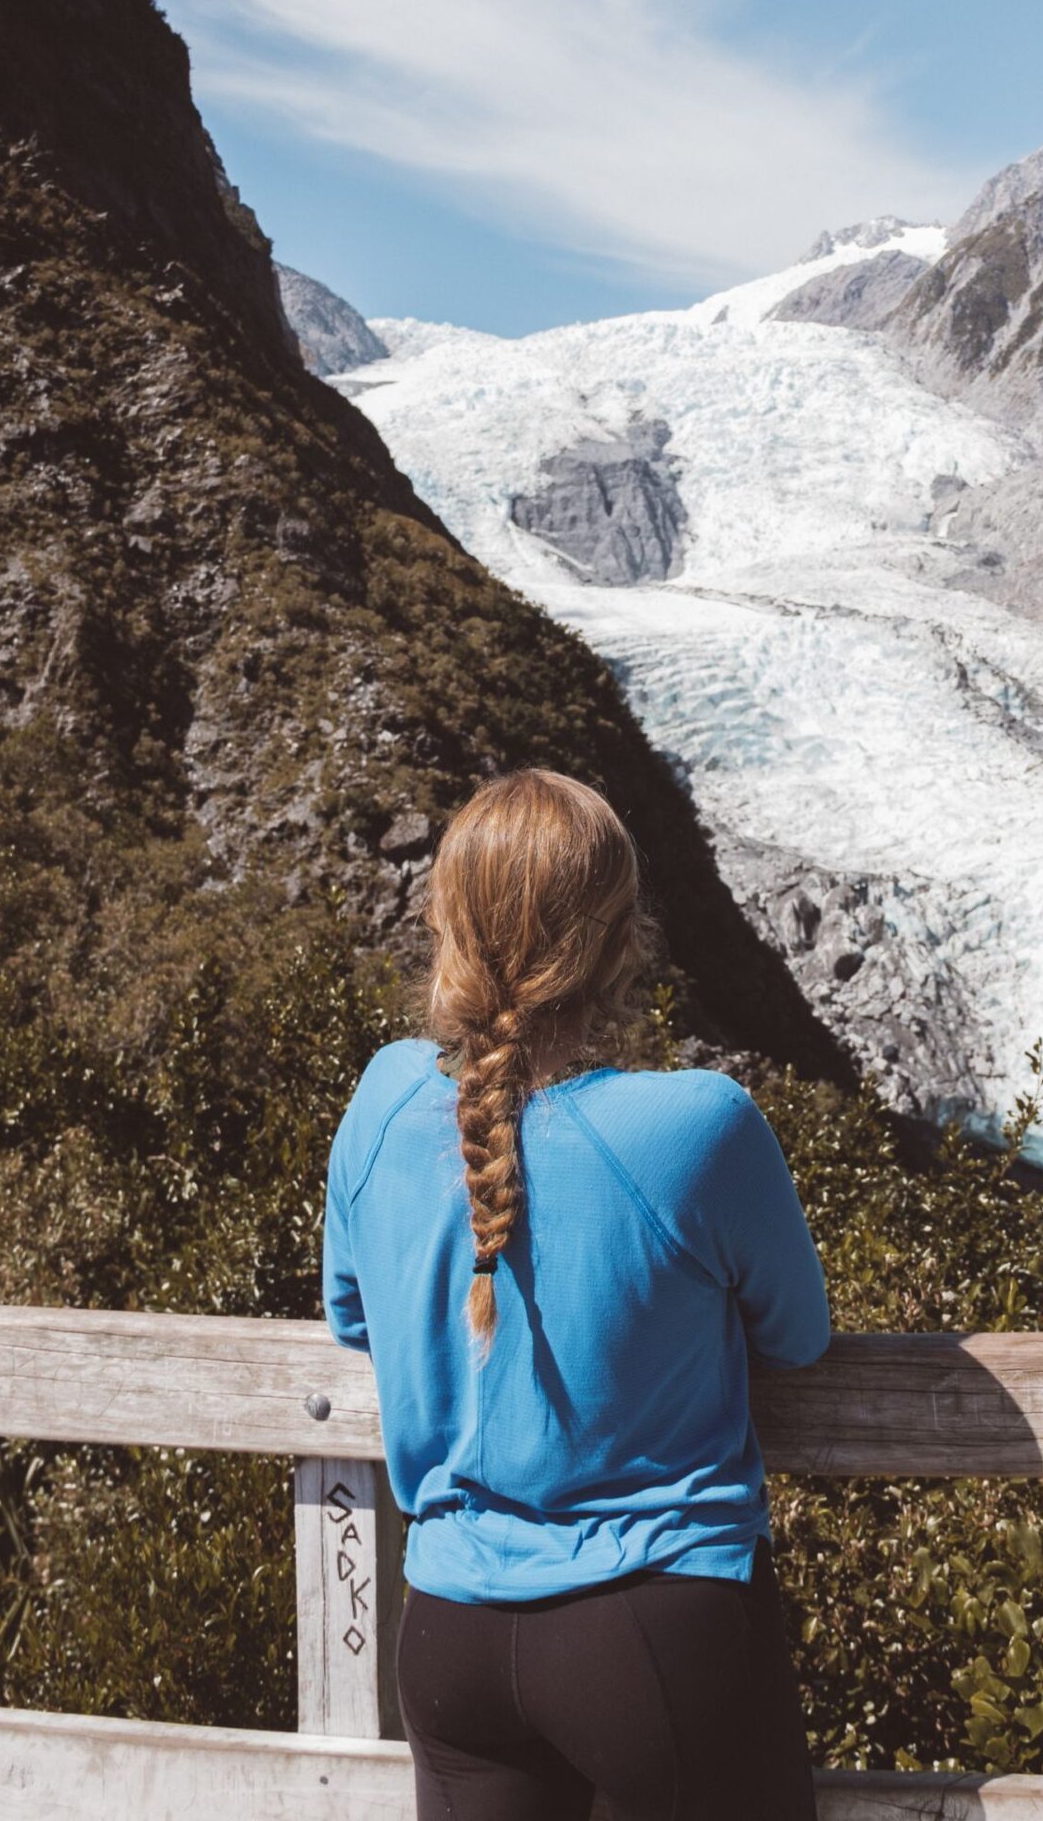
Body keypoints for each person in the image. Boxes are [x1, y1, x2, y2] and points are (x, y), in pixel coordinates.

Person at [324, 767, 830, 1821]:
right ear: (615, 942)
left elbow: (351, 1314)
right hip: (655, 1625)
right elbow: (798, 1337)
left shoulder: (380, 1103)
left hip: (451, 1632)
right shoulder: (699, 1126)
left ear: (445, 924)